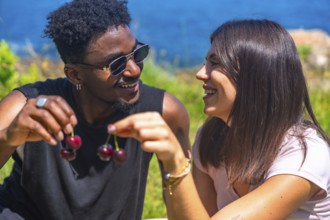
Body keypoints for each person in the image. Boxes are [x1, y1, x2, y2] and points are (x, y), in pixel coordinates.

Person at [110, 19, 330, 219]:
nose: (200, 73)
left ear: (254, 76)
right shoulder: (212, 136)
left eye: (215, 63)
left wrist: (177, 162)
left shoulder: (304, 154)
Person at [0, 0, 190, 219]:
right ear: (75, 75)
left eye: (138, 53)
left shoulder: (164, 113)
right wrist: (9, 137)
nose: (135, 70)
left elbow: (184, 208)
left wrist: (176, 161)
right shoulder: (28, 107)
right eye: (116, 64)